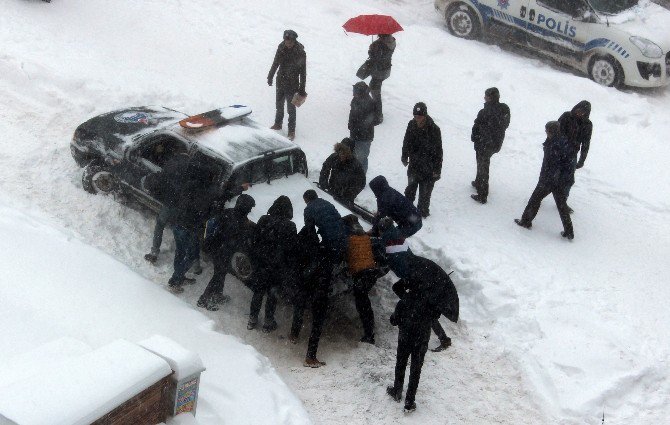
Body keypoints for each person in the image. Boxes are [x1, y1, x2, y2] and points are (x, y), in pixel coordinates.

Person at [293, 190, 347, 368]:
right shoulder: (327, 203)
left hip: (309, 283)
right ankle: (310, 356)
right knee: (318, 318)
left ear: (306, 199)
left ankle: (294, 335)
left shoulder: (309, 212)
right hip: (340, 241)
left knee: (302, 305)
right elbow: (337, 220)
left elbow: (309, 229)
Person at [515, 121, 575, 240]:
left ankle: (526, 221)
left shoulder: (554, 144)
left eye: (547, 130)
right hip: (560, 180)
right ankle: (569, 231)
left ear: (550, 131)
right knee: (561, 205)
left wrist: (548, 178)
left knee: (535, 199)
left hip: (550, 179)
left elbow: (552, 164)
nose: (546, 132)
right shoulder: (563, 141)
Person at [387, 280, 440, 412]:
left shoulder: (404, 301)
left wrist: (395, 317)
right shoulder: (431, 304)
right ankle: (409, 402)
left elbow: (394, 321)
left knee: (401, 364)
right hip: (421, 340)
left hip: (405, 338)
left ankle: (397, 391)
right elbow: (436, 316)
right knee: (416, 369)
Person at [247, 196, 298, 332]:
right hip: (277, 267)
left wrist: (257, 257)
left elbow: (255, 239)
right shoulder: (290, 226)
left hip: (261, 263)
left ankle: (252, 319)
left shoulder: (264, 219)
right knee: (272, 294)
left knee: (258, 291)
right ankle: (268, 322)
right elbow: (291, 249)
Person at [197, 194, 256, 310]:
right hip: (223, 252)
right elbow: (237, 240)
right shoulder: (240, 221)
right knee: (218, 275)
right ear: (245, 207)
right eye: (250, 207)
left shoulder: (229, 212)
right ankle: (204, 299)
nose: (250, 210)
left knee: (220, 273)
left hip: (217, 248)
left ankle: (217, 295)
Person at [401, 102, 442, 218]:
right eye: (415, 116)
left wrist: (437, 169)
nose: (417, 118)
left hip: (428, 168)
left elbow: (439, 151)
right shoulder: (411, 124)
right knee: (410, 191)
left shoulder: (434, 129)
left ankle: (422, 215)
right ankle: (407, 211)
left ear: (425, 115)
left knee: (424, 196)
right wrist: (404, 156)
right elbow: (406, 141)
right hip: (414, 165)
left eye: (419, 116)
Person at [470, 87, 511, 204]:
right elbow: (504, 124)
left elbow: (478, 126)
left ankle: (482, 195)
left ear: (490, 97)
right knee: (482, 163)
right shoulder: (504, 109)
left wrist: (476, 138)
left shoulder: (485, 111)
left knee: (483, 166)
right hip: (494, 144)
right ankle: (478, 182)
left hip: (484, 144)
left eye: (486, 96)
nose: (484, 98)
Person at [343, 215, 378, 344]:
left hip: (361, 274)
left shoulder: (348, 238)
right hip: (371, 272)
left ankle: (369, 335)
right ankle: (369, 331)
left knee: (363, 303)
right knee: (364, 301)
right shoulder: (365, 236)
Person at [268, 29, 307, 141]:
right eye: (286, 42)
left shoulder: (300, 52)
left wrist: (302, 88)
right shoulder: (281, 48)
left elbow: (303, 73)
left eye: (290, 42)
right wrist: (270, 75)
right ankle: (278, 123)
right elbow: (275, 63)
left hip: (292, 83)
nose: (288, 44)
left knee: (291, 108)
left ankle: (291, 130)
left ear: (294, 41)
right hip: (280, 80)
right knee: (279, 105)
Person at [558, 100, 592, 212]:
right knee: (550, 176)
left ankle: (562, 200)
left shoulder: (587, 125)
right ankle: (538, 197)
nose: (579, 113)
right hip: (558, 151)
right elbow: (556, 132)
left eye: (583, 112)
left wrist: (582, 159)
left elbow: (586, 143)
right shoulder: (566, 116)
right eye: (579, 110)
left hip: (572, 154)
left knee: (568, 179)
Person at [367, 34, 396, 124]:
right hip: (386, 70)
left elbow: (376, 59)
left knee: (375, 91)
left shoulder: (379, 44)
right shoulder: (392, 41)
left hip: (378, 72)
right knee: (374, 88)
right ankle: (375, 109)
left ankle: (378, 116)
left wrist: (371, 51)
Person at [348, 81, 376, 173]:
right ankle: (354, 175)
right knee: (353, 156)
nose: (353, 92)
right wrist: (350, 124)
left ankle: (361, 178)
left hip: (364, 138)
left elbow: (373, 120)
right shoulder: (355, 100)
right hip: (355, 134)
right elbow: (352, 113)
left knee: (361, 158)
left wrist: (360, 128)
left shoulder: (369, 103)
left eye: (355, 90)